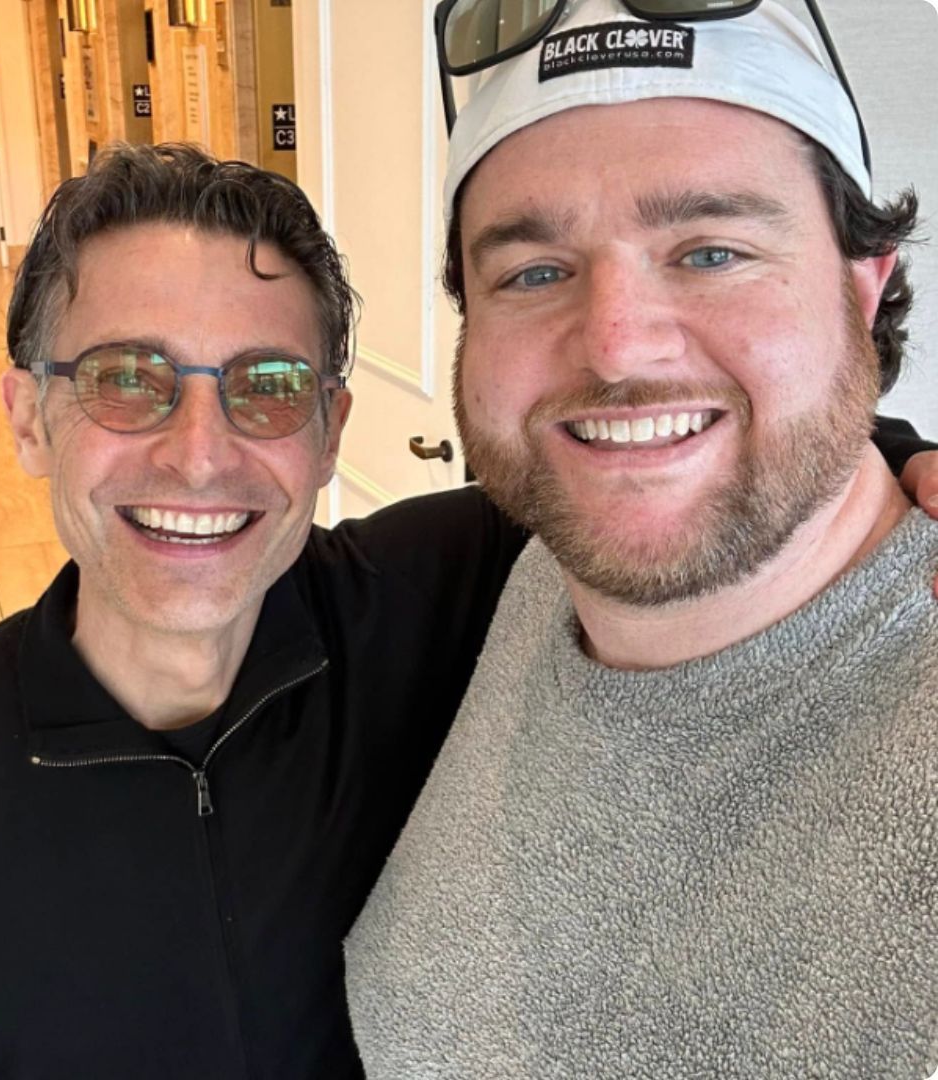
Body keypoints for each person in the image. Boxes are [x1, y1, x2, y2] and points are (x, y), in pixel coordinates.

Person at [0, 120, 933, 1080]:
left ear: (330, 432)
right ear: (29, 419)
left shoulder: (443, 595)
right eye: (125, 378)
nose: (197, 459)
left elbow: (690, 467)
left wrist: (904, 461)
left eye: (268, 387)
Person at [345, 2, 938, 1077]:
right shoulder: (520, 573)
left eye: (712, 251)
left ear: (866, 286)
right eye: (533, 272)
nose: (615, 347)